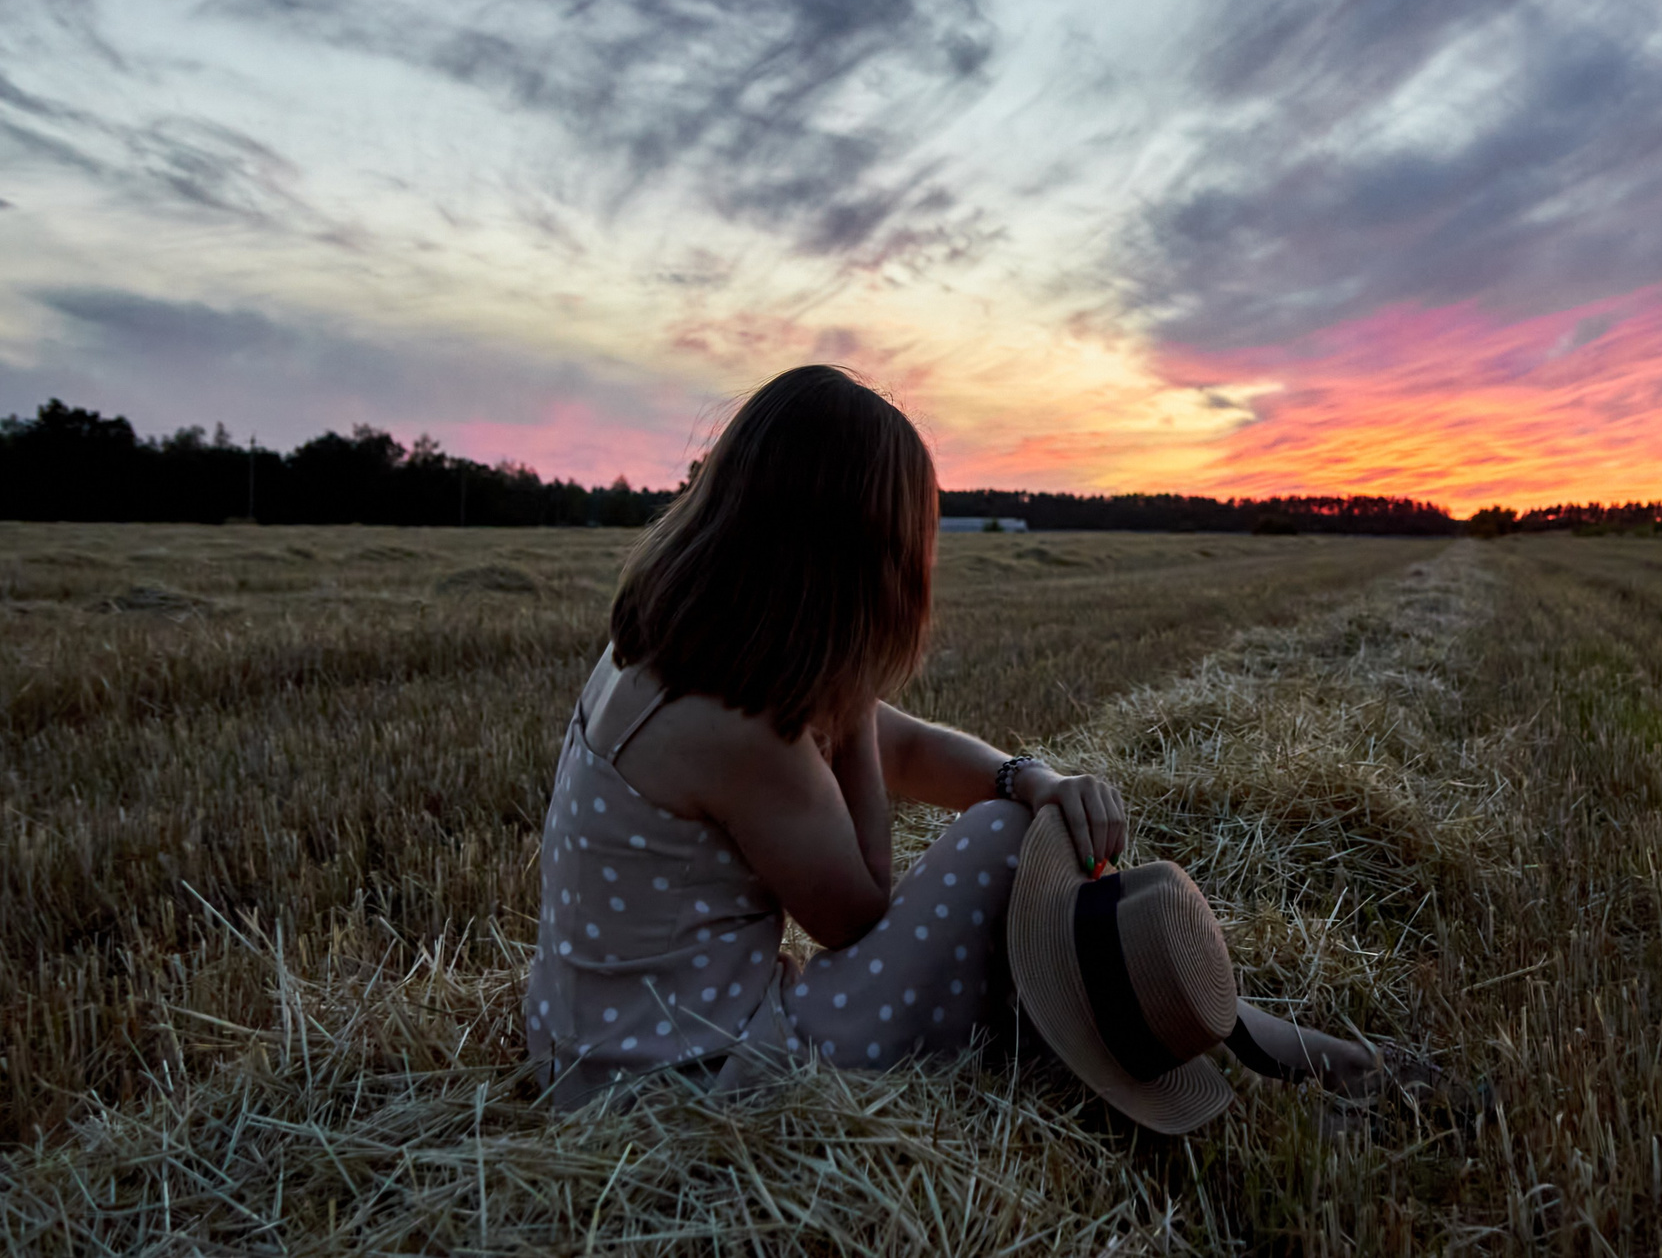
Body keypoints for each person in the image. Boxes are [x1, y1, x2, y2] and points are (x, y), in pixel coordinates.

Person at [522, 365, 1384, 1129]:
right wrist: (860, 707)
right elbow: (856, 913)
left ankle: (1223, 1025)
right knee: (1003, 846)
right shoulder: (740, 734)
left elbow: (907, 749)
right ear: (864, 569)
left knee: (1016, 832)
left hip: (598, 1049)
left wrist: (1029, 775)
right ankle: (1229, 1032)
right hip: (683, 1091)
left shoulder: (673, 659)